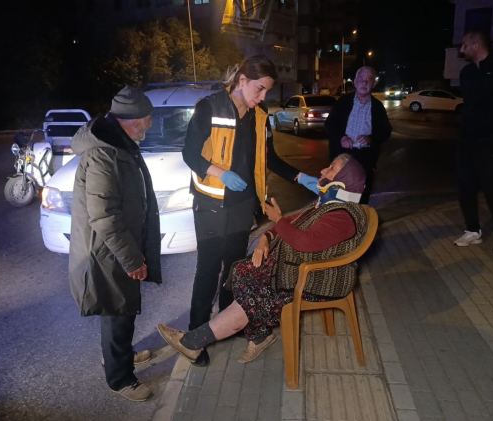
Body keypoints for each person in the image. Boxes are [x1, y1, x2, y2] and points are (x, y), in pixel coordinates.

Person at [158, 154, 367, 363]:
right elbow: (294, 221)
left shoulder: (342, 216)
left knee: (255, 291)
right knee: (243, 270)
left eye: (331, 168)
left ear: (345, 179)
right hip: (304, 269)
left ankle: (192, 343)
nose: (323, 171)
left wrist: (278, 220)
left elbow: (303, 242)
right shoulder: (330, 206)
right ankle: (258, 336)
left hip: (320, 280)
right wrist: (266, 237)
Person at [181, 55, 321, 367]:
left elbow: (270, 158)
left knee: (234, 268)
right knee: (208, 269)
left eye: (266, 91)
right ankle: (195, 335)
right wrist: (219, 172)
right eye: (259, 89)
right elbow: (189, 153)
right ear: (242, 80)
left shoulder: (260, 116)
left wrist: (301, 177)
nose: (262, 97)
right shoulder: (209, 107)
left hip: (243, 204)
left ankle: (223, 325)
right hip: (211, 203)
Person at [68, 86, 161, 402]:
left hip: (118, 245)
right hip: (107, 251)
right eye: (147, 119)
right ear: (133, 120)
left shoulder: (120, 145)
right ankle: (120, 378)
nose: (150, 124)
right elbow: (104, 216)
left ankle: (118, 355)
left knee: (122, 309)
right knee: (118, 310)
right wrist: (132, 259)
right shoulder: (102, 154)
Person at [452, 29, 493, 256]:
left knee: (492, 188)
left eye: (464, 45)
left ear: (476, 45)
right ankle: (473, 230)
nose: (461, 49)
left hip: (490, 141)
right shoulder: (467, 72)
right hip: (466, 139)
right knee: (465, 187)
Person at [325, 66, 392, 205]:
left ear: (374, 84)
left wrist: (371, 139)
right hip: (342, 157)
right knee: (338, 198)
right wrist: (341, 137)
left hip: (364, 159)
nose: (364, 82)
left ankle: (359, 217)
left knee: (360, 200)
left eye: (368, 79)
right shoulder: (343, 102)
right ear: (355, 82)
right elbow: (329, 124)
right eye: (361, 79)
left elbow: (386, 131)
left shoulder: (377, 107)